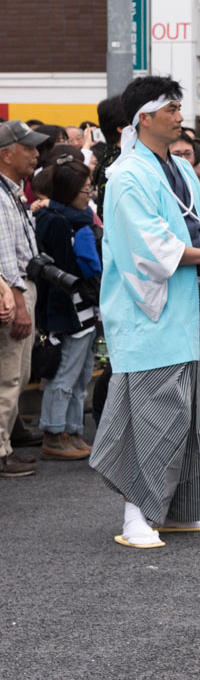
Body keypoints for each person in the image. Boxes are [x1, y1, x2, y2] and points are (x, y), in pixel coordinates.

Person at [88, 76, 200, 549]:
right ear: (144, 117)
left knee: (199, 409)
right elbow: (150, 248)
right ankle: (136, 514)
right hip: (151, 314)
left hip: (190, 308)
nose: (179, 115)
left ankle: (179, 509)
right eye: (171, 108)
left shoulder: (182, 170)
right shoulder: (125, 176)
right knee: (154, 414)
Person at [32, 158, 101, 460]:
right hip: (68, 310)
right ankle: (54, 431)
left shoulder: (75, 218)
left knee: (82, 373)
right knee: (66, 374)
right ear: (70, 189)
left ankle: (72, 430)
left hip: (84, 309)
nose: (89, 195)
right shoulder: (58, 222)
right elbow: (60, 274)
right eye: (85, 190)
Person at [0, 121, 47, 477]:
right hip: (12, 290)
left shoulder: (12, 190)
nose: (35, 154)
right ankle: (1, 452)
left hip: (19, 288)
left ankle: (6, 444)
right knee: (9, 376)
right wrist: (17, 301)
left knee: (18, 373)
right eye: (27, 148)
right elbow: (4, 258)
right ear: (6, 154)